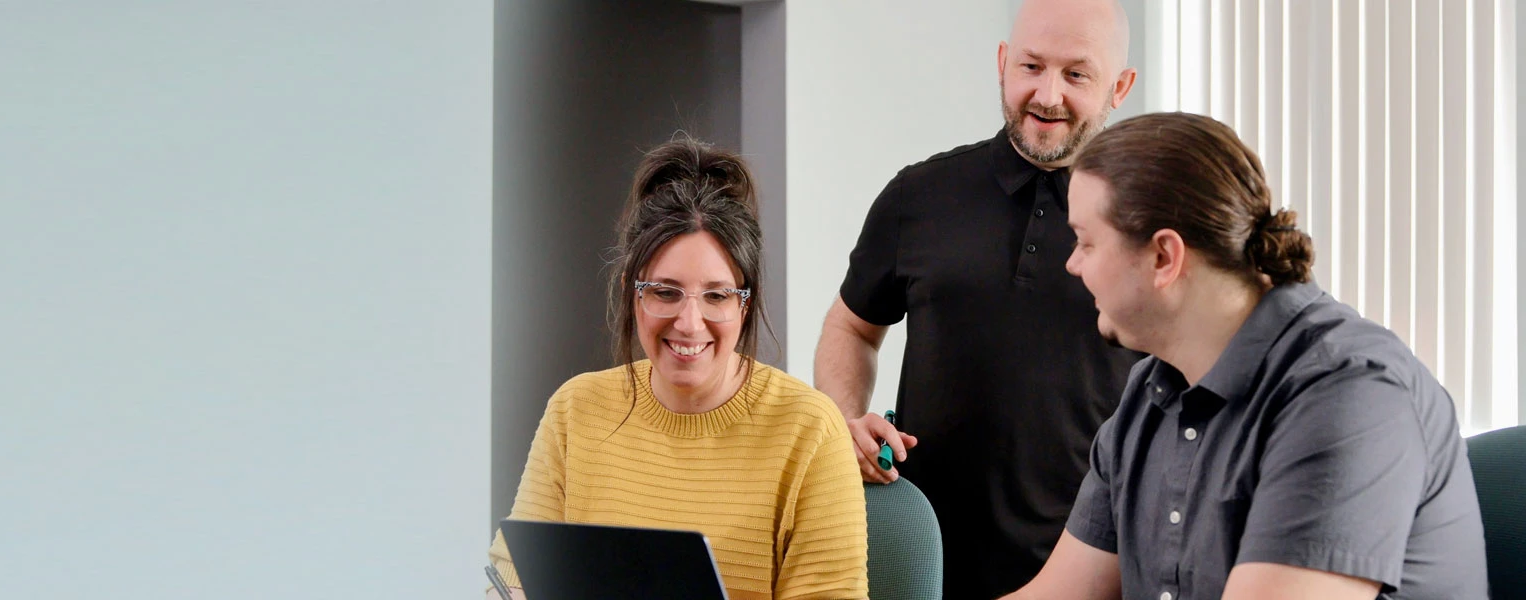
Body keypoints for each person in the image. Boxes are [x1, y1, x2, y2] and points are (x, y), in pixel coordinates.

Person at [1001, 112, 1487, 599]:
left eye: (1086, 242)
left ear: (1164, 257)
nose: (1072, 264)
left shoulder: (1350, 394)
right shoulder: (1150, 395)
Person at [813, 0, 1143, 595]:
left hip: (1097, 575)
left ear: (1119, 87)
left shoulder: (1149, 222)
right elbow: (851, 327)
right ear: (1002, 63)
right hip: (925, 570)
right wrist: (845, 420)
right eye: (1031, 66)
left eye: (1076, 74)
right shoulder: (919, 195)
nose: (1047, 95)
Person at [488, 138, 867, 600]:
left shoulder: (810, 430)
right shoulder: (576, 410)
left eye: (717, 295)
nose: (689, 323)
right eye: (665, 292)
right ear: (632, 293)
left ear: (745, 305)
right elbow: (510, 582)